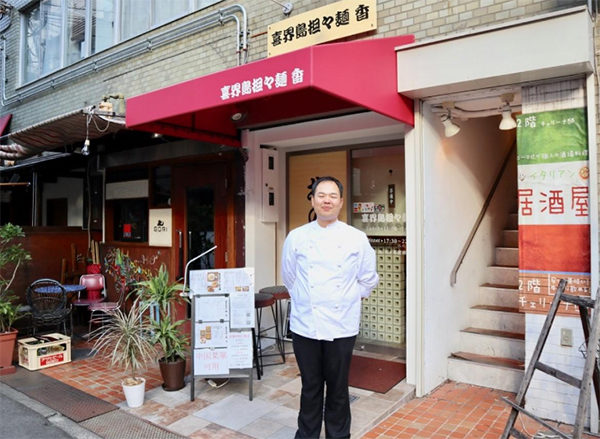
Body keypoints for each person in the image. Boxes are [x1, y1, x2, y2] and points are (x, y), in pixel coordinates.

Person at [281, 176, 379, 439]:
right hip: (305, 324)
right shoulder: (296, 237)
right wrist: (305, 300)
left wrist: (347, 299)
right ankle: (307, 435)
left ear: (341, 202)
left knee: (338, 387)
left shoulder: (356, 238)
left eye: (333, 196)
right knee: (310, 386)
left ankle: (338, 436)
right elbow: (289, 277)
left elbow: (368, 279)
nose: (327, 200)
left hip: (342, 324)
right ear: (313, 200)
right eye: (321, 195)